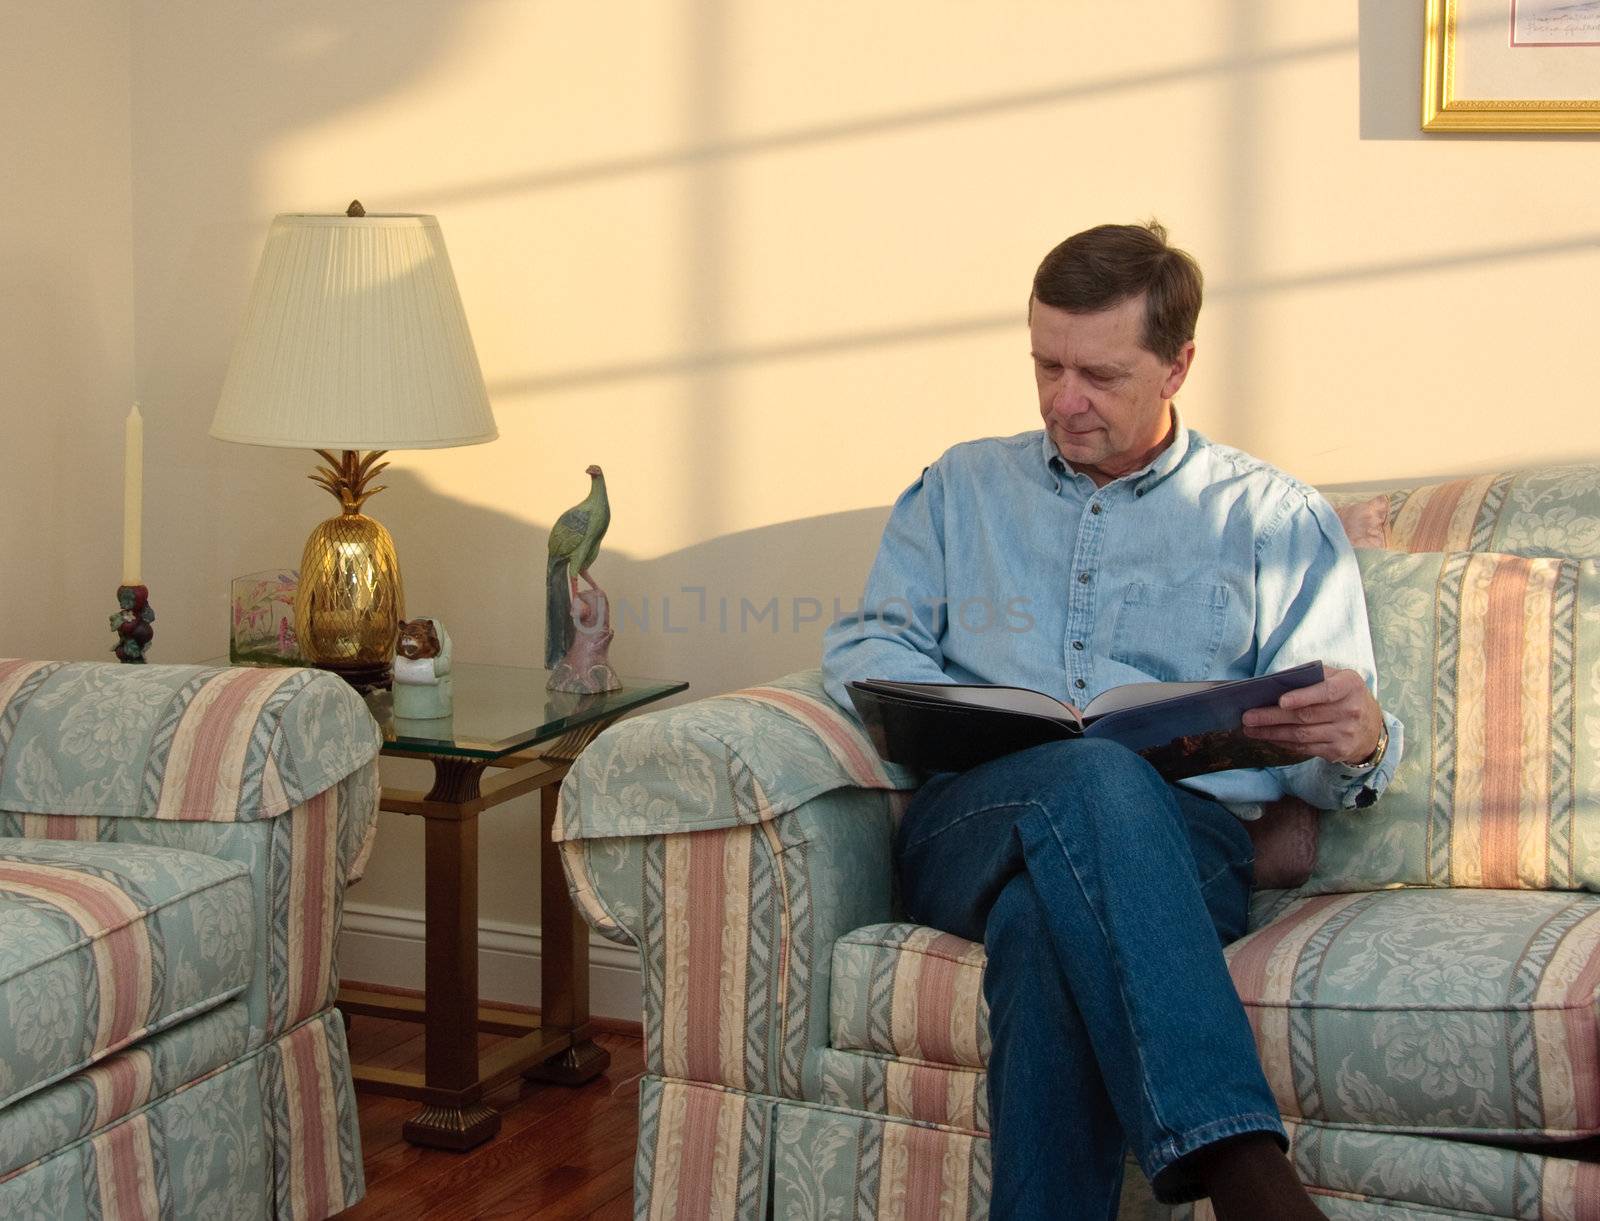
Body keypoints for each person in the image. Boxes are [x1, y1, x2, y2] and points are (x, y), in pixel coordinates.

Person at [821, 221, 1402, 1220]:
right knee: (1087, 774)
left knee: (1042, 921)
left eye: (1096, 373)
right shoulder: (960, 487)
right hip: (975, 820)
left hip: (1183, 846)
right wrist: (954, 709)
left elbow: (1320, 762)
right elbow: (869, 649)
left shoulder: (1270, 519)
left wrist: (1358, 742)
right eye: (1043, 365)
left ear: (1177, 365)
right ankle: (1244, 1172)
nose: (1061, 400)